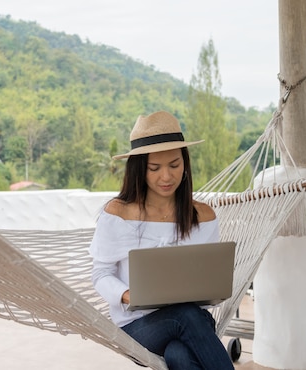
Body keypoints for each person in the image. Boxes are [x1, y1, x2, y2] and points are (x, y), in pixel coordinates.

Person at [89, 111, 234, 370]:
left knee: (179, 355)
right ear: (138, 169)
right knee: (184, 316)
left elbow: (210, 280)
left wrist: (210, 291)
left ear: (185, 164)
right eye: (154, 168)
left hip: (194, 322)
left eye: (174, 165)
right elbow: (101, 274)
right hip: (138, 327)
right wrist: (129, 295)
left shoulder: (203, 216)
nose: (166, 177)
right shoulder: (118, 214)